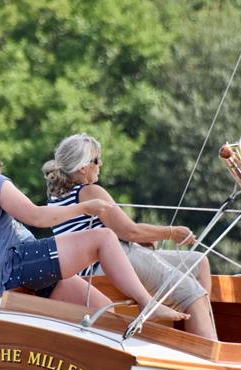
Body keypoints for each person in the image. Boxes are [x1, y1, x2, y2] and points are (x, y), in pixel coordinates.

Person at [0, 128, 189, 323]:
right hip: (21, 265)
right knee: (103, 238)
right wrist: (83, 208)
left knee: (106, 315)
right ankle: (147, 303)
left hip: (8, 279)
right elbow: (36, 217)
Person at [42, 133, 217, 339]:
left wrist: (142, 238)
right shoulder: (90, 192)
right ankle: (210, 352)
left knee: (198, 262)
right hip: (109, 260)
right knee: (192, 292)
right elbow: (129, 231)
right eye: (97, 160)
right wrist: (171, 232)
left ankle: (196, 329)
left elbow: (121, 231)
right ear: (82, 167)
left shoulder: (56, 197)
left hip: (98, 261)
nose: (101, 164)